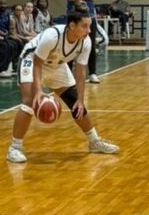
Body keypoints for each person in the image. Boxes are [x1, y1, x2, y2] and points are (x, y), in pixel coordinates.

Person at [6, 9, 119, 163]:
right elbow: (38, 64)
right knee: (29, 101)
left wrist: (80, 99)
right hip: (32, 60)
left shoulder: (86, 41)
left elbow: (80, 72)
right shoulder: (52, 36)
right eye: (85, 26)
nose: (89, 30)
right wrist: (38, 91)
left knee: (75, 103)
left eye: (90, 26)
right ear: (72, 25)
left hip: (56, 64)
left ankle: (94, 142)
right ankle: (14, 148)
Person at [63, 0, 100, 83]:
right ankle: (67, 74)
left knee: (91, 44)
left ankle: (92, 73)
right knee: (70, 43)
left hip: (89, 16)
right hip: (73, 16)